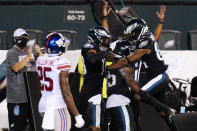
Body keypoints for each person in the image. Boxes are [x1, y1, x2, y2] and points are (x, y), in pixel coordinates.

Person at [107, 18, 177, 131]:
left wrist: (109, 67)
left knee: (138, 95)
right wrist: (160, 22)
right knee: (162, 113)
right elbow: (156, 36)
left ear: (139, 31)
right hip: (154, 77)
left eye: (133, 33)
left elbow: (127, 60)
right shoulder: (146, 38)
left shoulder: (145, 41)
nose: (132, 36)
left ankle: (167, 109)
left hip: (159, 76)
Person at [36, 32, 85, 131]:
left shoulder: (40, 60)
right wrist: (77, 115)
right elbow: (66, 92)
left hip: (43, 106)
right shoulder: (62, 63)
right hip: (57, 107)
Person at [76, 2, 112, 131]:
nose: (106, 42)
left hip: (96, 91)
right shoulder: (88, 46)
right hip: (89, 91)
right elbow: (92, 59)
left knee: (99, 126)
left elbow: (105, 34)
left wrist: (104, 18)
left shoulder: (98, 47)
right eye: (103, 40)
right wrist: (107, 52)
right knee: (94, 128)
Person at [6, 28, 43, 131]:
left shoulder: (32, 50)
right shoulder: (11, 53)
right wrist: (28, 57)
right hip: (17, 99)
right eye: (20, 38)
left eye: (25, 37)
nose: (23, 39)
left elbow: (43, 64)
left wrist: (40, 54)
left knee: (37, 127)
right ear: (14, 39)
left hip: (33, 98)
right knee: (17, 128)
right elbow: (16, 68)